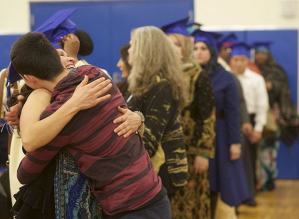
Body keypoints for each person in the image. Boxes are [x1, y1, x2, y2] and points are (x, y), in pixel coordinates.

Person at [12, 32, 170, 218]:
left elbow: (25, 172)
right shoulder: (95, 75)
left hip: (129, 207)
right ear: (56, 57)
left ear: (29, 78)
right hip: (154, 192)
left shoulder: (60, 116)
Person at [124, 26, 188, 199]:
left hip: (160, 171)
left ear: (145, 51)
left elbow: (150, 141)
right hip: (148, 170)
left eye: (132, 45)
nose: (129, 50)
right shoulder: (144, 84)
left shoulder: (161, 86)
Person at [192, 30, 250, 219]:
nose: (198, 52)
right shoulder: (189, 74)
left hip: (221, 135)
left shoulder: (226, 77)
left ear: (211, 51)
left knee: (215, 182)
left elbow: (234, 112)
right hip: (195, 134)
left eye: (203, 48)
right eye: (195, 48)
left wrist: (235, 142)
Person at [163, 19, 216, 218]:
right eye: (169, 44)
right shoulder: (163, 74)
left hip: (191, 150)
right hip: (167, 149)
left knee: (191, 201)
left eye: (177, 44)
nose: (172, 49)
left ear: (185, 47)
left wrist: (203, 151)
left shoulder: (198, 75)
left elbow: (208, 116)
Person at [253, 42, 298, 190]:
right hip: (254, 117)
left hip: (272, 118)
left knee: (269, 151)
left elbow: (283, 90)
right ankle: (257, 182)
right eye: (258, 53)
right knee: (256, 152)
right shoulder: (252, 70)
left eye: (263, 54)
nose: (260, 56)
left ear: (268, 55)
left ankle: (268, 182)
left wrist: (272, 86)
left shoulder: (277, 71)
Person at [230, 42, 269, 204]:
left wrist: (258, 128)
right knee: (233, 160)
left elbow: (262, 105)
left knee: (249, 161)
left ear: (248, 61)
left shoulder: (256, 79)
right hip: (231, 121)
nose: (239, 63)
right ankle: (234, 195)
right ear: (232, 61)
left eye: (242, 59)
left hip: (250, 121)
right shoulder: (226, 77)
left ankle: (249, 194)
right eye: (236, 59)